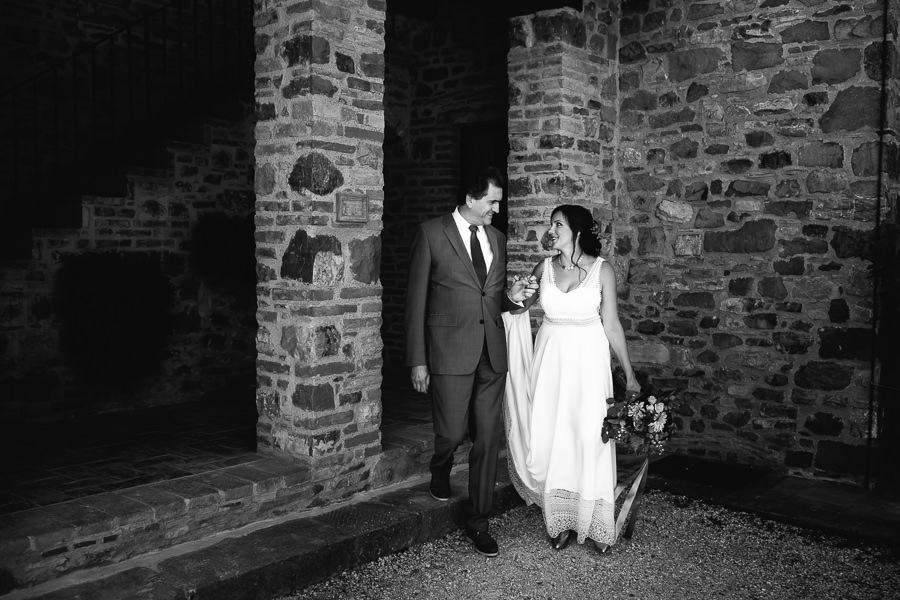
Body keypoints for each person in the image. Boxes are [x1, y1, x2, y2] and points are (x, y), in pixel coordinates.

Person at [405, 166, 538, 558]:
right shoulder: (432, 233)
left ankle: (480, 520)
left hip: (492, 354)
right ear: (470, 199)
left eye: (498, 201)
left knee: (487, 439)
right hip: (447, 351)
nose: (497, 209)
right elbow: (415, 303)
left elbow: (492, 298)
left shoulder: (497, 238)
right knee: (449, 432)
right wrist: (417, 360)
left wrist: (512, 297)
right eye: (491, 201)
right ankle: (441, 466)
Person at [503, 204, 641, 554]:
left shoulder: (602, 270)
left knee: (588, 437)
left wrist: (630, 373)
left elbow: (611, 325)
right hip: (550, 364)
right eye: (551, 224)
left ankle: (594, 521)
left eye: (558, 224)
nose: (552, 229)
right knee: (554, 435)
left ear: (576, 231)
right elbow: (519, 310)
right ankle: (560, 520)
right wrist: (513, 296)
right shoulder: (543, 268)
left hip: (588, 366)